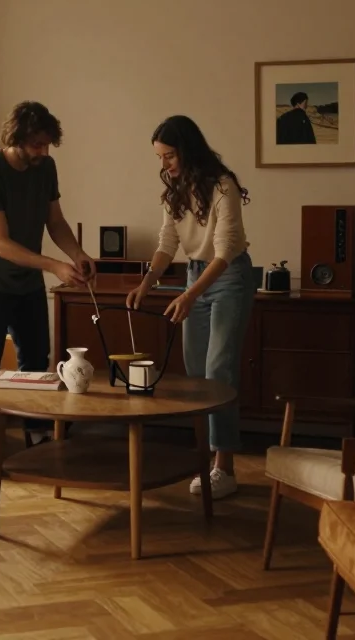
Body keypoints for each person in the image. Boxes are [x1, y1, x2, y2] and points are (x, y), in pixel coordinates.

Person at [0, 101, 95, 485]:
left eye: (47, 144)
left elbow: (55, 220)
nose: (43, 152)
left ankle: (36, 435)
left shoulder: (45, 167)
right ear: (15, 138)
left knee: (36, 359)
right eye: (36, 144)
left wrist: (77, 253)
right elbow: (0, 244)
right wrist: (54, 266)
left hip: (27, 279)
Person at [126, 115, 253, 500]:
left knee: (219, 371)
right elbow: (168, 243)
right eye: (161, 158)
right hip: (195, 277)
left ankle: (224, 467)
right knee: (197, 375)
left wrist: (190, 294)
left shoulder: (223, 186)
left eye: (169, 156)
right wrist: (147, 283)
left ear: (187, 149)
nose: (165, 165)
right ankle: (203, 459)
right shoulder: (176, 192)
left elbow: (226, 248)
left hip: (228, 276)